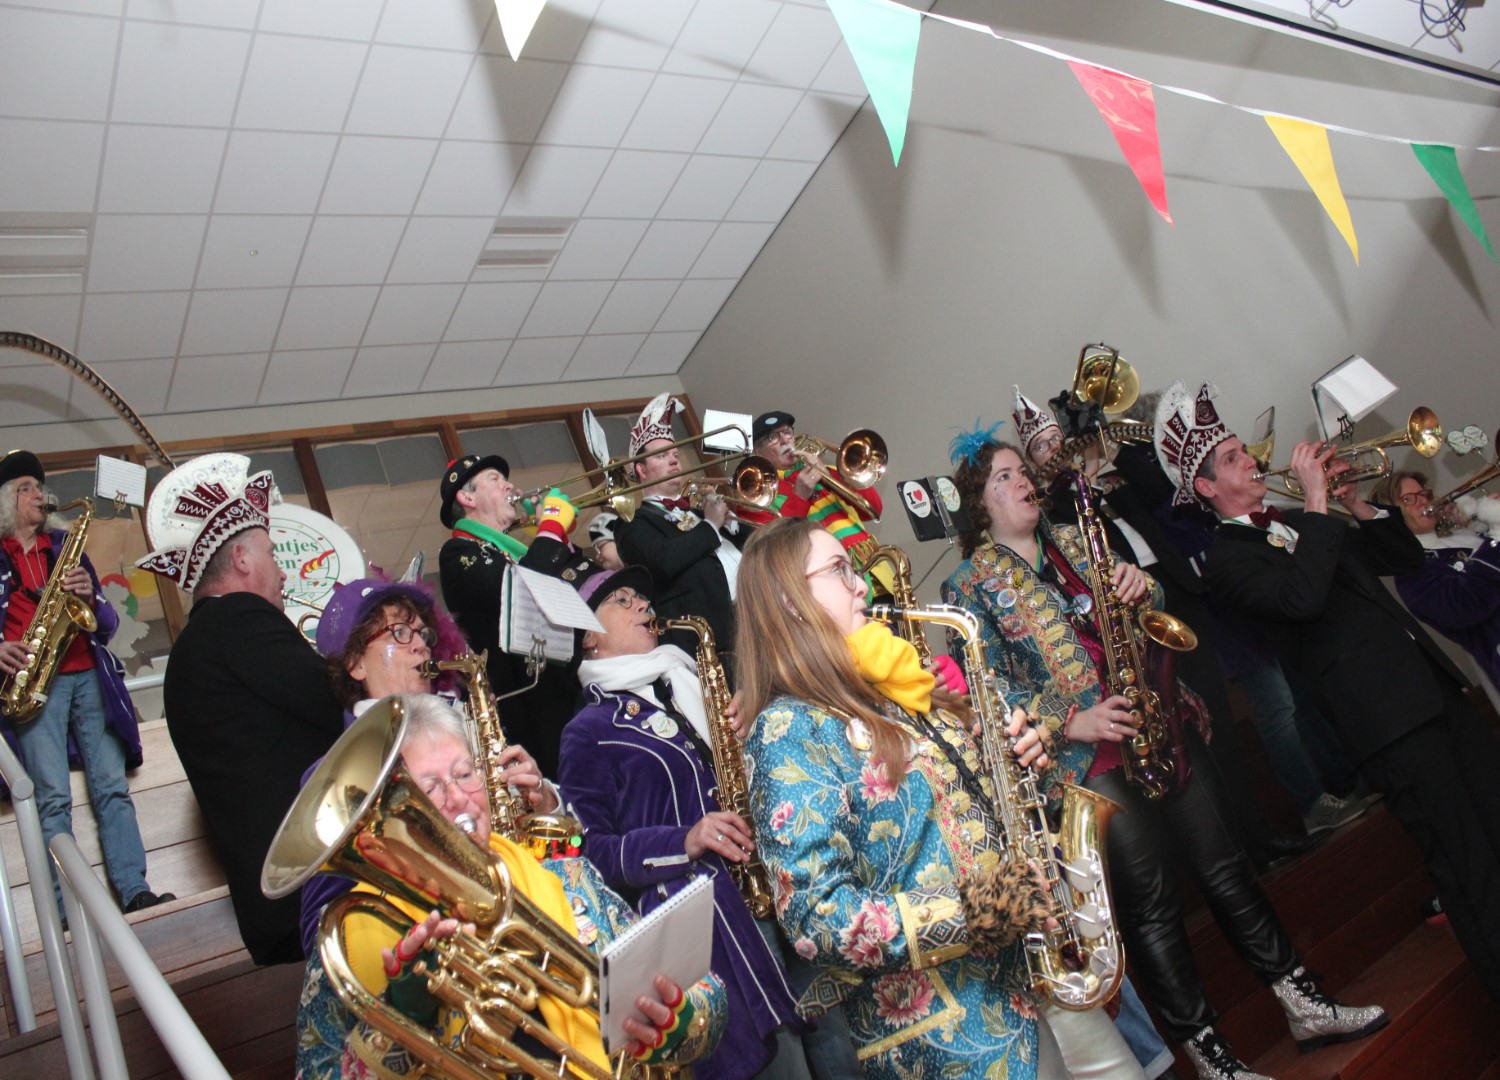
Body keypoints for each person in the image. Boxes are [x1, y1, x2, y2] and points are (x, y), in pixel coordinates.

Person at [943, 428, 1387, 1080]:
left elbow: (1149, 610)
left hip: (1156, 721)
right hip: (1088, 764)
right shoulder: (969, 586)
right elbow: (984, 690)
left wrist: (1138, 586)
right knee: (1152, 906)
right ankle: (1211, 1057)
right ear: (979, 503)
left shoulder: (1076, 541)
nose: (1022, 482)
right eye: (1003, 477)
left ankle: (1304, 1003)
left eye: (1021, 471)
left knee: (1228, 868)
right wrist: (1071, 721)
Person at [736, 517, 1146, 1080]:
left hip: (1038, 967)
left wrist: (1014, 754)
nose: (862, 587)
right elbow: (815, 919)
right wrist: (975, 912)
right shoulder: (787, 729)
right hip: (953, 1029)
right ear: (789, 601)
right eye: (838, 571)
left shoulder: (893, 687)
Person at [1167, 381, 1500, 1006]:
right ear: (1208, 488)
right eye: (1234, 458)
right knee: (1469, 868)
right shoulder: (1228, 563)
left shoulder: (1300, 521)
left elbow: (1402, 556)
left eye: (1244, 450)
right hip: (1387, 723)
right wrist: (1319, 503)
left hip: (1430, 690)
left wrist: (1356, 503)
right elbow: (1301, 600)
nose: (1251, 460)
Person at [293, 693, 727, 1078]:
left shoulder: (563, 876)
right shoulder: (355, 932)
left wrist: (680, 1023)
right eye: (430, 787)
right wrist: (400, 1018)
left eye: (465, 774)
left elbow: (704, 992)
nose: (458, 797)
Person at [1015, 386, 1366, 850]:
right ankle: (1245, 845)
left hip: (1179, 596)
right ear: (1033, 465)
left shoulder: (1111, 482)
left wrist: (1106, 449)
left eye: (1058, 439)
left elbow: (1166, 489)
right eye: (1042, 447)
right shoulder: (1054, 509)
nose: (1055, 449)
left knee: (1222, 719)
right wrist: (1076, 485)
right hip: (1130, 618)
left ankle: (1263, 835)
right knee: (1197, 736)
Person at [559, 562, 855, 1080]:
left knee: (841, 1052)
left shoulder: (692, 684)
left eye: (641, 597)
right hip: (716, 916)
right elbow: (593, 852)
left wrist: (752, 725)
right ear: (588, 637)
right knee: (784, 1063)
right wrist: (684, 839)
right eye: (621, 600)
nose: (642, 605)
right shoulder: (588, 729)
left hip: (781, 881)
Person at [140, 452, 343, 965]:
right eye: (272, 555)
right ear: (242, 560)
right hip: (319, 893)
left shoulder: (197, 645)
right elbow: (335, 698)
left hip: (277, 907)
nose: (283, 573)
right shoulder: (239, 619)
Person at [297, 574, 564, 958]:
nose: (421, 644)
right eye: (400, 632)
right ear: (355, 664)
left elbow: (559, 849)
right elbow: (322, 927)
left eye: (423, 633)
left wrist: (543, 804)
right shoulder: (337, 775)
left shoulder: (466, 730)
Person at [0, 450, 171, 919]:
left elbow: (108, 624)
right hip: (35, 686)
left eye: (39, 486)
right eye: (25, 488)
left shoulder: (64, 548)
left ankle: (135, 891)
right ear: (5, 501)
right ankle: (65, 914)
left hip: (89, 677)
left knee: (112, 787)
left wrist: (90, 597)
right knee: (52, 800)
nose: (39, 495)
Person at [437, 451, 593, 779]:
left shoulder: (512, 551)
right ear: (467, 498)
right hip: (529, 708)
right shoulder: (458, 553)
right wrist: (550, 530)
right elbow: (522, 591)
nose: (509, 485)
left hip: (564, 690)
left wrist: (557, 538)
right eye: (495, 479)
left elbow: (583, 588)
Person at [612, 393, 748, 657]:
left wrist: (729, 522)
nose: (674, 460)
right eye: (662, 456)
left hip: (755, 616)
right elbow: (663, 561)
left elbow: (755, 542)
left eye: (675, 454)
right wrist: (710, 525)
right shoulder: (632, 524)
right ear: (641, 469)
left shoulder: (699, 511)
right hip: (712, 642)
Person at [1372, 469, 1500, 695]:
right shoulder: (1412, 574)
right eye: (1408, 499)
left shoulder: (1463, 533)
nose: (1423, 501)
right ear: (1391, 515)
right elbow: (1466, 604)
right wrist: (1496, 536)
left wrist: (1484, 525)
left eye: (1423, 494)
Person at [738, 410, 892, 597]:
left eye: (787, 432)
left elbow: (874, 508)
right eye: (773, 437)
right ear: (757, 452)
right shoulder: (757, 494)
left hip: (876, 572)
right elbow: (775, 548)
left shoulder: (826, 470)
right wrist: (799, 497)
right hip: (835, 585)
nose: (785, 440)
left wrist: (830, 476)